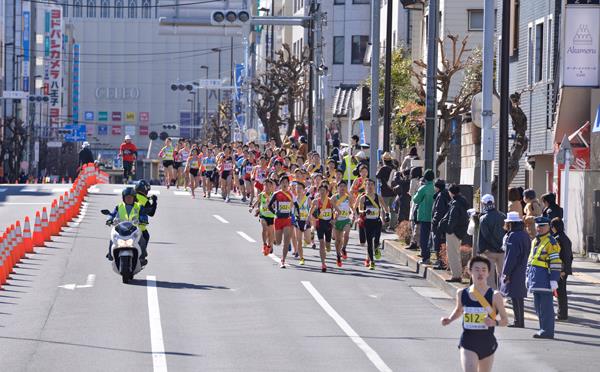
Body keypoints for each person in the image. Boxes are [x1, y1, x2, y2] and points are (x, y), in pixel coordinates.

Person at [441, 256, 509, 372]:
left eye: (484, 270)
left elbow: (505, 321)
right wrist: (449, 319)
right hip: (468, 342)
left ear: (488, 273)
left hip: (487, 342)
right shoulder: (462, 293)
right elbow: (458, 311)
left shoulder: (495, 295)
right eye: (476, 269)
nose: (480, 273)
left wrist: (495, 322)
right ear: (469, 271)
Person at [527, 216, 562, 339]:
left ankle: (547, 331)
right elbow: (531, 260)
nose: (540, 228)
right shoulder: (535, 241)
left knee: (546, 307)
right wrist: (527, 276)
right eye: (538, 225)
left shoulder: (551, 242)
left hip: (545, 278)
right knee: (537, 307)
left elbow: (556, 262)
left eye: (543, 226)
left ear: (548, 227)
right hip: (535, 278)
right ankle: (543, 329)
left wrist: (554, 279)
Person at [500, 212, 531, 328]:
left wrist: (507, 273)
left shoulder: (513, 236)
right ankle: (519, 320)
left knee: (514, 296)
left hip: (514, 269)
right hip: (522, 266)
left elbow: (511, 257)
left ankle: (518, 321)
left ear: (511, 223)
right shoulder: (524, 234)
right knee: (519, 296)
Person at [105, 187, 148, 263]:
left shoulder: (139, 206)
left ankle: (142, 256)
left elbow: (143, 215)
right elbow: (112, 214)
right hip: (121, 228)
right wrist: (109, 219)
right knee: (112, 237)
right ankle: (110, 254)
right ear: (123, 198)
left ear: (134, 198)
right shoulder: (119, 206)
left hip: (135, 229)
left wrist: (143, 220)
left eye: (130, 197)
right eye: (127, 197)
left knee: (143, 238)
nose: (128, 199)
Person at [357, 179, 390, 270]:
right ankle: (372, 262)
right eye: (368, 185)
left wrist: (387, 215)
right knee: (369, 243)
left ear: (374, 186)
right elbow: (359, 210)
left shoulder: (378, 197)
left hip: (377, 221)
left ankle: (376, 248)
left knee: (376, 241)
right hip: (367, 222)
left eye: (371, 185)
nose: (370, 187)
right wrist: (364, 211)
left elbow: (385, 207)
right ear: (365, 186)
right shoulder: (363, 198)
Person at [308, 183, 340, 272]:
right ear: (318, 191)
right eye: (320, 190)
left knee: (328, 245)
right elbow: (310, 212)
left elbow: (338, 211)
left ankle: (328, 247)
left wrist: (334, 220)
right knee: (321, 243)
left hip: (328, 224)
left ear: (327, 192)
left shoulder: (330, 201)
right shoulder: (315, 201)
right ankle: (323, 264)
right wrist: (310, 218)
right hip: (320, 224)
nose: (322, 192)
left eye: (324, 191)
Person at [477, 194, 506, 289]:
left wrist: (480, 250)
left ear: (483, 204)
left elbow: (485, 236)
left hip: (489, 250)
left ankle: (491, 295)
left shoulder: (483, 218)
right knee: (502, 274)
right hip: (502, 250)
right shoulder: (503, 216)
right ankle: (504, 293)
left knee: (489, 275)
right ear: (493, 202)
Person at [444, 184, 469, 283]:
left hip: (454, 232)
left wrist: (448, 229)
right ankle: (457, 274)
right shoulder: (463, 201)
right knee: (456, 253)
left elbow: (452, 219)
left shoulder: (455, 203)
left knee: (452, 254)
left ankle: (456, 275)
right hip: (460, 231)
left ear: (451, 192)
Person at [268, 176, 295, 268]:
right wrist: (274, 213)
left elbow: (295, 205)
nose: (284, 184)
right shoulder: (276, 194)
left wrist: (295, 214)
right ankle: (272, 240)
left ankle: (283, 260)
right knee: (278, 242)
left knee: (287, 240)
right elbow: (269, 206)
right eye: (283, 182)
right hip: (278, 220)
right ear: (280, 184)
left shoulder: (291, 194)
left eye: (286, 182)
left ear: (288, 184)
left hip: (287, 220)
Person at [551, 217, 573, 321]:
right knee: (561, 292)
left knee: (560, 292)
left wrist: (562, 270)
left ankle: (562, 314)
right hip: (564, 268)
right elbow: (570, 256)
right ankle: (563, 313)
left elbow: (562, 255)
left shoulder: (557, 239)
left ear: (554, 227)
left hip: (561, 269)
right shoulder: (565, 238)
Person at [412, 169, 435, 264]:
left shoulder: (423, 188)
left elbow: (415, 200)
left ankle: (426, 257)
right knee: (433, 237)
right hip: (434, 216)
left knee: (424, 237)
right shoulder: (435, 188)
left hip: (424, 216)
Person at [250, 179, 276, 256]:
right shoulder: (261, 195)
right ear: (263, 186)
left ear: (272, 187)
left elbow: (275, 206)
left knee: (271, 233)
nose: (267, 187)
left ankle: (269, 245)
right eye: (265, 186)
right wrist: (252, 208)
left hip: (271, 216)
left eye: (269, 186)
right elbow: (257, 201)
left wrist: (270, 203)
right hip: (263, 215)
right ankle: (264, 244)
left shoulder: (273, 195)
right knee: (264, 228)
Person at [134, 180, 157, 265]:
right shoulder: (144, 200)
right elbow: (151, 213)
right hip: (139, 227)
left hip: (127, 223)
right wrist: (154, 202)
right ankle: (142, 256)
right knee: (146, 236)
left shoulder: (130, 196)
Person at [332, 180, 354, 262]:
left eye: (344, 186)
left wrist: (353, 214)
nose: (342, 188)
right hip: (337, 221)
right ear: (337, 188)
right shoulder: (334, 197)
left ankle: (344, 248)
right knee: (338, 240)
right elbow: (330, 208)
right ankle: (338, 254)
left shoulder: (348, 197)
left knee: (346, 234)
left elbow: (352, 207)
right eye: (340, 186)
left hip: (346, 219)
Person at [431, 179, 450, 270]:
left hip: (439, 224)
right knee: (441, 243)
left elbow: (439, 211)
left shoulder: (441, 196)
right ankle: (442, 262)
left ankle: (441, 262)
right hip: (444, 223)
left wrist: (434, 221)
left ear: (437, 187)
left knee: (438, 242)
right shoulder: (445, 194)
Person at [376, 152, 398, 231]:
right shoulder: (395, 168)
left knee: (384, 209)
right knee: (393, 210)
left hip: (385, 192)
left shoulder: (383, 168)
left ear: (384, 160)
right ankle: (392, 226)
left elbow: (377, 176)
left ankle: (384, 225)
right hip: (394, 192)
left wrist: (379, 167)